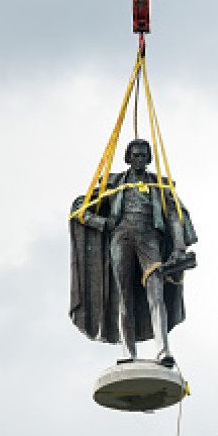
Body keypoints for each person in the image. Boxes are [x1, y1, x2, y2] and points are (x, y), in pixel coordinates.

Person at [68, 139, 197, 365]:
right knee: (123, 296)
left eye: (143, 155)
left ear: (148, 159)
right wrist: (102, 223)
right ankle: (128, 352)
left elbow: (176, 214)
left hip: (149, 237)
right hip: (122, 236)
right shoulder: (116, 183)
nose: (139, 159)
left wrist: (179, 247)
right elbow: (80, 209)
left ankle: (163, 350)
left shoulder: (158, 185)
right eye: (135, 155)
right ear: (128, 158)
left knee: (156, 293)